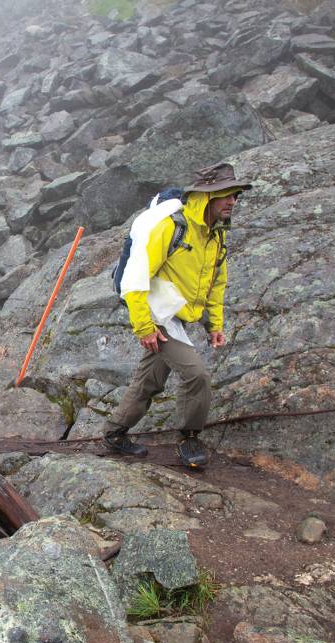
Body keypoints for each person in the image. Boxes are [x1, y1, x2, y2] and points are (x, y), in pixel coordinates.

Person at [102, 163, 251, 468]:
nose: (232, 201)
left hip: (175, 313)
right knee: (196, 374)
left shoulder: (214, 235)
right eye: (225, 195)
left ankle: (114, 432)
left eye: (235, 195)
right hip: (156, 312)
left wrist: (214, 324)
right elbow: (134, 280)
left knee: (151, 378)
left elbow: (215, 282)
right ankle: (189, 437)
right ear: (205, 196)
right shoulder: (172, 227)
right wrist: (144, 326)